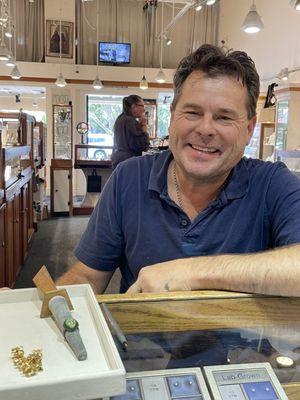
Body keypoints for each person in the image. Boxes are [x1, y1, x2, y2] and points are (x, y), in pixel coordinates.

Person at [56, 44, 300, 297]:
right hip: (137, 336)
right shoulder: (128, 178)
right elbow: (87, 275)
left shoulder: (272, 184)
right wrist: (36, 306)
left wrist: (191, 273)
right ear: (172, 118)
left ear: (249, 129)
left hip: (243, 337)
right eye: (193, 112)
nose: (206, 129)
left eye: (224, 117)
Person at [111, 95, 150, 169]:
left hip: (118, 160)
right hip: (128, 162)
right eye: (142, 106)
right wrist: (144, 125)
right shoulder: (130, 121)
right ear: (133, 106)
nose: (144, 110)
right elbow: (142, 145)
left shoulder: (120, 119)